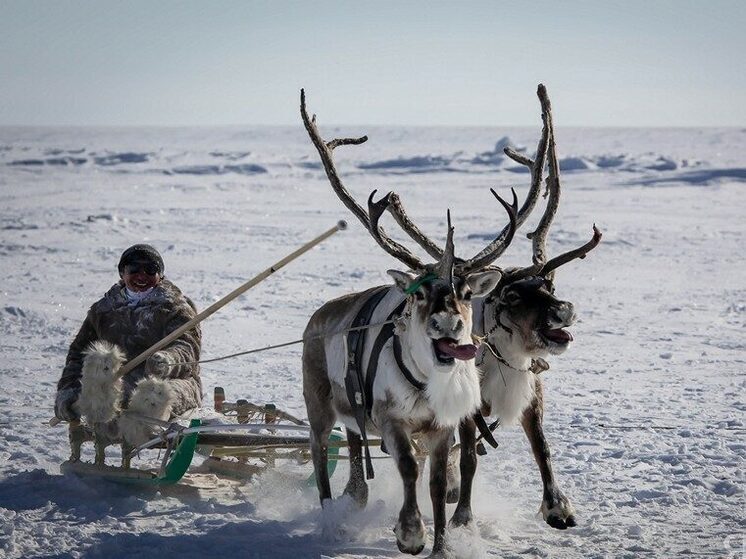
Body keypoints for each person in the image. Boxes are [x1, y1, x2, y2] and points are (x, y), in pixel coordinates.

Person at [54, 244, 202, 429]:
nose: (142, 275)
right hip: (119, 386)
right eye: (134, 269)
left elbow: (187, 347)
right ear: (122, 273)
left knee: (152, 396)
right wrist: (68, 391)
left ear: (160, 276)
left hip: (171, 382)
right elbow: (79, 356)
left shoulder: (175, 308)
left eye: (150, 270)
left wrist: (167, 361)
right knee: (97, 392)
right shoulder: (102, 311)